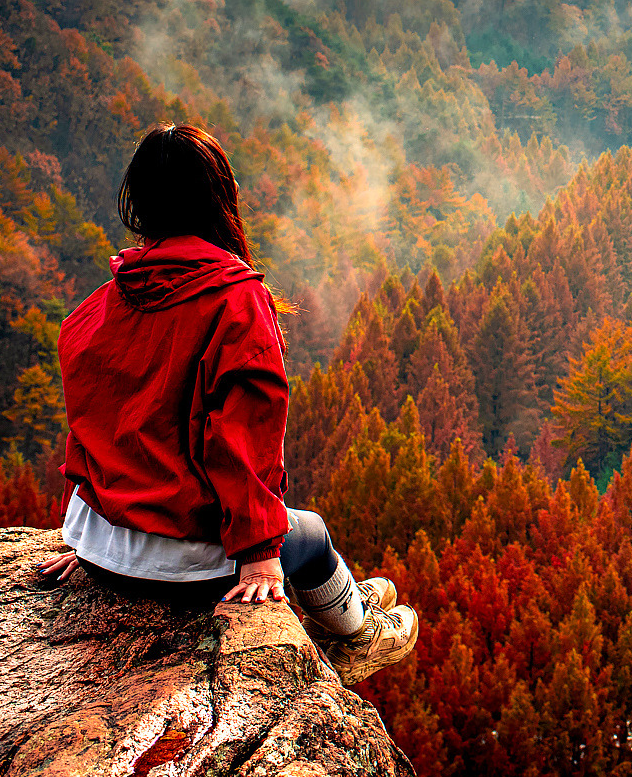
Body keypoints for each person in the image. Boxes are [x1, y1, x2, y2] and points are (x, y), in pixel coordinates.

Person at [35, 124, 419, 685]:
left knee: (298, 537)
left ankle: (348, 604)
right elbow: (241, 440)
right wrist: (259, 551)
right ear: (220, 199)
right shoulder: (235, 301)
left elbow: (96, 423)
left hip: (102, 546)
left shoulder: (112, 298)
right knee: (309, 534)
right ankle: (358, 635)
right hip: (182, 565)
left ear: (139, 204)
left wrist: (95, 534)